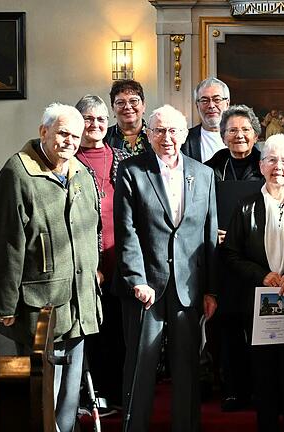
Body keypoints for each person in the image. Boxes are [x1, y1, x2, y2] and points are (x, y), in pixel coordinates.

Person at [0, 103, 100, 432]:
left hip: (80, 304)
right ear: (43, 132)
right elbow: (5, 243)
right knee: (41, 394)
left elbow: (91, 229)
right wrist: (4, 305)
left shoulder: (79, 171)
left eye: (76, 136)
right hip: (40, 307)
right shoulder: (17, 173)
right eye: (63, 133)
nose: (69, 141)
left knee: (69, 396)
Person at [114, 105, 218, 431]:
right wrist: (136, 279)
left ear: (185, 134)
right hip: (146, 286)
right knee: (141, 364)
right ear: (148, 134)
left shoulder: (203, 174)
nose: (167, 137)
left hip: (189, 287)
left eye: (173, 130)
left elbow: (209, 234)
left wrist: (211, 289)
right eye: (159, 130)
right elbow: (126, 231)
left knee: (186, 366)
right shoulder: (132, 171)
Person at [220, 133, 284, 431]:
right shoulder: (245, 206)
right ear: (261, 165)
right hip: (258, 304)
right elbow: (231, 254)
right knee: (263, 376)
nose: (278, 167)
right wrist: (262, 275)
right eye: (272, 160)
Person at [204, 104, 265, 411]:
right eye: (232, 130)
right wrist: (210, 229)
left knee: (258, 327)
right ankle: (232, 389)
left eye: (245, 130)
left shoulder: (268, 163)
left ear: (255, 134)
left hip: (259, 260)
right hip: (224, 260)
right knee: (228, 328)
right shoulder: (210, 167)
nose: (239, 136)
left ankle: (258, 389)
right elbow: (199, 210)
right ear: (222, 134)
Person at [74, 94, 131, 410]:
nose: (95, 125)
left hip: (121, 260)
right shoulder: (69, 160)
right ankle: (93, 396)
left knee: (119, 333)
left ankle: (119, 395)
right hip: (87, 264)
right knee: (93, 334)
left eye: (99, 119)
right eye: (87, 119)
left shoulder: (124, 158)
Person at [181, 77, 231, 163]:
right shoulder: (184, 140)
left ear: (227, 103)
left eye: (217, 100)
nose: (211, 105)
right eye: (204, 101)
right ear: (197, 105)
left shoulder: (242, 138)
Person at [105, 79, 150, 156]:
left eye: (133, 101)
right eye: (120, 103)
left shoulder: (156, 134)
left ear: (143, 105)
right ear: (112, 108)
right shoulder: (104, 138)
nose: (128, 107)